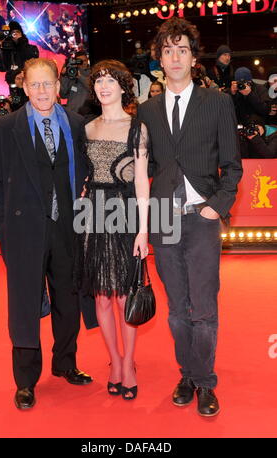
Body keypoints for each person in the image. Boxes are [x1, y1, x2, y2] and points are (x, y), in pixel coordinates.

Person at [137, 17, 242, 416]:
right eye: (168, 50)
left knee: (204, 305)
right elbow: (142, 169)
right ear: (159, 59)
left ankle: (205, 382)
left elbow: (232, 166)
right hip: (164, 216)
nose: (175, 57)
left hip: (202, 216)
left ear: (193, 57)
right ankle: (187, 373)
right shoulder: (145, 111)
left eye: (182, 49)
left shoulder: (216, 102)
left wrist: (218, 203)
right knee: (177, 308)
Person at [0, 58, 94, 410]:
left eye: (48, 84)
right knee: (24, 306)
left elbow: (89, 174)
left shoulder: (77, 126)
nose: (43, 91)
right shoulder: (3, 130)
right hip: (24, 233)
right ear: (24, 88)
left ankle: (66, 363)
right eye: (35, 85)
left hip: (67, 230)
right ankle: (26, 381)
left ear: (58, 86)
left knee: (68, 300)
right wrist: (5, 233)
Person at [75, 59, 149, 400]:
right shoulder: (87, 129)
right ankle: (115, 361)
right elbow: (85, 180)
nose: (104, 86)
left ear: (123, 86)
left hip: (126, 214)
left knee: (123, 297)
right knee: (102, 297)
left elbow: (142, 184)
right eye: (99, 81)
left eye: (110, 80)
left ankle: (130, 363)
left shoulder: (138, 128)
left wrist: (143, 230)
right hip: (94, 215)